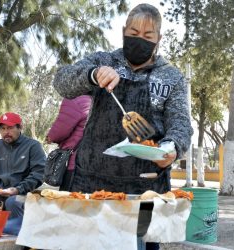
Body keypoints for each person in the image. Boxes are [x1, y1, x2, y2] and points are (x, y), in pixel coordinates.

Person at [53, 4, 193, 249]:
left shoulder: (171, 77)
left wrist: (170, 149)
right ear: (123, 31)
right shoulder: (103, 60)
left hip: (144, 191)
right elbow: (62, 81)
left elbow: (180, 125)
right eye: (134, 33)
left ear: (158, 39)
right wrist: (93, 74)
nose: (140, 40)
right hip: (92, 186)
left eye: (148, 36)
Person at [0, 112, 46, 235]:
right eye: (2, 128)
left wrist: (17, 189)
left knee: (13, 202)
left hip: (23, 194)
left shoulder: (33, 146)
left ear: (20, 127)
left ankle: (18, 240)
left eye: (10, 128)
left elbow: (39, 174)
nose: (5, 132)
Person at [45, 96, 92, 190]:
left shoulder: (76, 99)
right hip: (97, 165)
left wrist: (50, 137)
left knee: (68, 202)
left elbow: (59, 132)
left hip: (75, 164)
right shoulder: (101, 100)